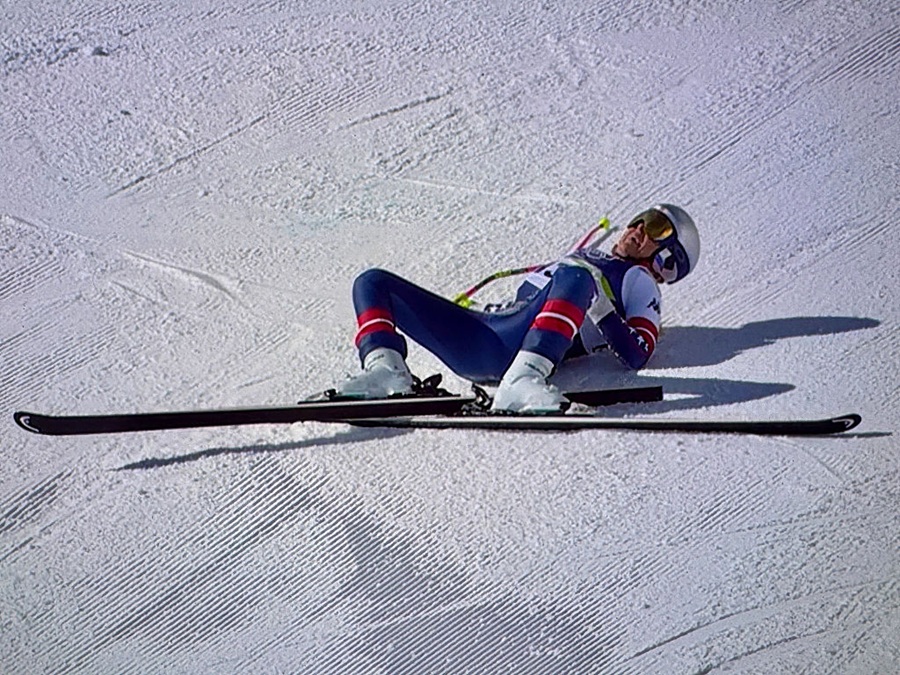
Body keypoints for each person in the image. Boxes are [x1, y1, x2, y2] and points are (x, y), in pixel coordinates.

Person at [338, 203, 700, 413]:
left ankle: (525, 378)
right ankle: (386, 371)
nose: (638, 228)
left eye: (656, 227)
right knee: (372, 282)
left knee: (577, 278)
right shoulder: (588, 260)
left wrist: (601, 307)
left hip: (521, 350)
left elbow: (638, 354)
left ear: (668, 258)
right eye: (641, 219)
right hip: (484, 335)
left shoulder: (639, 279)